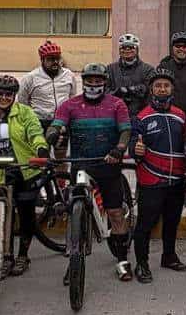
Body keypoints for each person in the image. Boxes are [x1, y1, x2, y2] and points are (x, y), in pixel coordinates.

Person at [50, 64, 133, 278]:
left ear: (105, 82)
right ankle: (74, 260)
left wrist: (119, 149)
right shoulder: (70, 105)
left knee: (115, 212)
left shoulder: (117, 104)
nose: (94, 84)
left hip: (108, 164)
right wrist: (51, 134)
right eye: (90, 80)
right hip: (80, 166)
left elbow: (125, 131)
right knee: (73, 212)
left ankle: (122, 259)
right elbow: (58, 124)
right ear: (83, 81)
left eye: (98, 80)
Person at [0, 74, 51, 278]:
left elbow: (35, 134)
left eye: (9, 94)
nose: (4, 98)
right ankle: (5, 256)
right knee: (2, 215)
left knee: (26, 215)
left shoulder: (25, 113)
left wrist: (41, 149)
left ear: (14, 96)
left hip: (24, 169)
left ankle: (22, 256)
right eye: (0, 94)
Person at [131, 68, 186, 282]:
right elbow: (132, 145)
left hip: (176, 180)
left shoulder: (181, 115)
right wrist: (134, 150)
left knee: (172, 221)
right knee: (146, 224)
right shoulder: (142, 117)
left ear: (172, 88)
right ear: (151, 89)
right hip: (151, 179)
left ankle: (169, 256)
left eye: (166, 85)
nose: (162, 89)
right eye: (158, 86)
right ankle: (142, 263)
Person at [18, 40, 78, 129]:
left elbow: (72, 98)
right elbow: (23, 102)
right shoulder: (30, 77)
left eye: (57, 58)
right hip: (39, 122)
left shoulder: (69, 75)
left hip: (62, 121)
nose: (55, 62)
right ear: (42, 60)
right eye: (50, 59)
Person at [106, 33, 155, 125]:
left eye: (131, 47)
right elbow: (104, 92)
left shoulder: (148, 69)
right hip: (115, 118)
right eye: (124, 47)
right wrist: (117, 92)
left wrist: (135, 90)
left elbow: (151, 92)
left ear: (137, 49)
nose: (127, 50)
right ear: (119, 50)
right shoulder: (110, 69)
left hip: (141, 117)